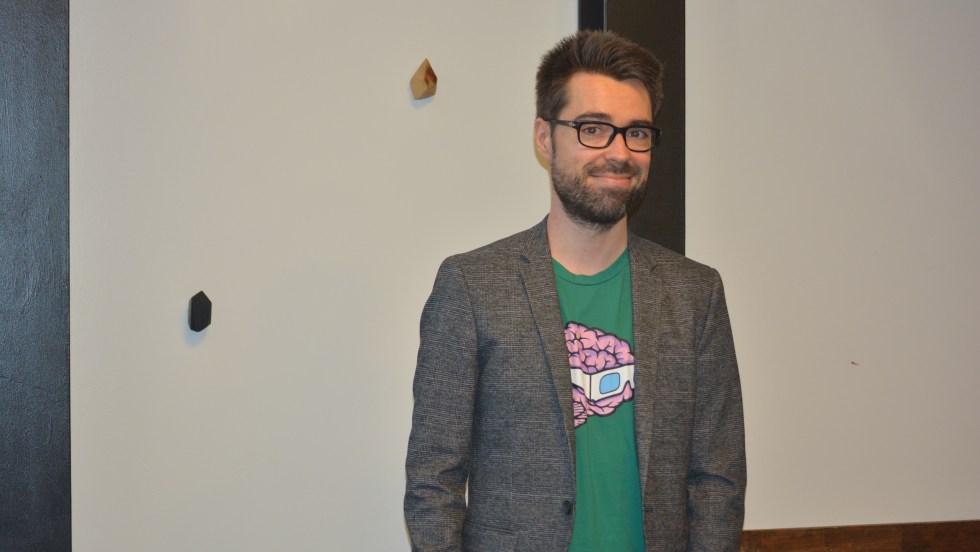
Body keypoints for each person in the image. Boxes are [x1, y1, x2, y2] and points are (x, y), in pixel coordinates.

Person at [404, 30, 745, 552]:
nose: (619, 152)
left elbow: (718, 478)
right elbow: (434, 482)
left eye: (636, 132)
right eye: (593, 129)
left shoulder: (696, 294)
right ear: (545, 137)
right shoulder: (472, 287)